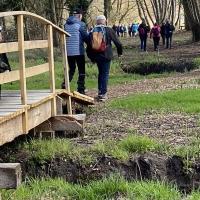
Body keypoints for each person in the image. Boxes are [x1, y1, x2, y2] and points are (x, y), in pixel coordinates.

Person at [86, 15, 123, 101]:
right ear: (105, 21)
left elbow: (88, 46)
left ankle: (100, 92)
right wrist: (120, 53)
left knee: (100, 73)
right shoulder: (109, 30)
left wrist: (91, 58)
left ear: (97, 22)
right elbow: (118, 43)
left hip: (96, 56)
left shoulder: (92, 31)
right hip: (106, 55)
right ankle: (103, 93)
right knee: (105, 74)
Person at [62, 9, 88, 94]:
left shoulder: (65, 25)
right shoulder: (81, 24)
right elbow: (85, 37)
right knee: (81, 70)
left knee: (71, 69)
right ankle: (81, 88)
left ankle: (65, 85)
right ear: (79, 15)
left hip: (68, 52)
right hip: (78, 51)